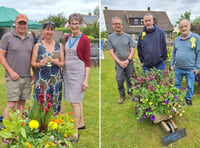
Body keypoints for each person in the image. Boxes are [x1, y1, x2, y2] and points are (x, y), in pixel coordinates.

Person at [0, 14, 34, 117]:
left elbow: (32, 57)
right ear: (15, 23)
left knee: (21, 104)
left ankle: (18, 128)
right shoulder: (7, 37)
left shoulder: (30, 38)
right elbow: (1, 55)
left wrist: (34, 74)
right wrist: (10, 71)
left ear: (27, 24)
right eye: (20, 23)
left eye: (24, 23)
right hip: (12, 77)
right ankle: (6, 129)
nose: (22, 25)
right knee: (11, 104)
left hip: (26, 77)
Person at [64, 13, 90, 142]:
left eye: (76, 23)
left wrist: (86, 79)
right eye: (72, 23)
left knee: (74, 101)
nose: (74, 26)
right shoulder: (66, 37)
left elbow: (87, 61)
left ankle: (75, 131)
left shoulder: (84, 39)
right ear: (69, 24)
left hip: (78, 73)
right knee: (76, 100)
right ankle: (81, 123)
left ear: (80, 24)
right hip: (68, 73)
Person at [31, 21, 64, 112]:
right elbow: (32, 63)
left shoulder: (59, 45)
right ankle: (39, 124)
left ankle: (54, 124)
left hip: (55, 80)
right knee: (40, 103)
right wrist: (39, 64)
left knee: (55, 103)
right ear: (43, 30)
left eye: (51, 30)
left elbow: (63, 64)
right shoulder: (38, 46)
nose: (49, 32)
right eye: (47, 29)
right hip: (41, 80)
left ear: (54, 31)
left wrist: (58, 62)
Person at [170, 19, 200, 106]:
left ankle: (188, 99)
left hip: (190, 68)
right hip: (178, 67)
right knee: (177, 84)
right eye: (181, 27)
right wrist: (172, 64)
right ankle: (177, 98)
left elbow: (199, 53)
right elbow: (173, 53)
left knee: (190, 85)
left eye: (185, 26)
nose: (183, 28)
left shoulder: (196, 38)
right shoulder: (177, 39)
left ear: (189, 26)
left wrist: (197, 67)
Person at [108, 16, 135, 104]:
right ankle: (122, 96)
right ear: (112, 25)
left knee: (130, 79)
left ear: (122, 25)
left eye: (119, 24)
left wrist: (127, 60)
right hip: (118, 63)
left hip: (129, 62)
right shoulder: (110, 37)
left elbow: (132, 50)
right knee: (119, 80)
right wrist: (119, 62)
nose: (118, 25)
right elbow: (111, 52)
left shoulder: (127, 36)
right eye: (116, 24)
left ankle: (131, 94)